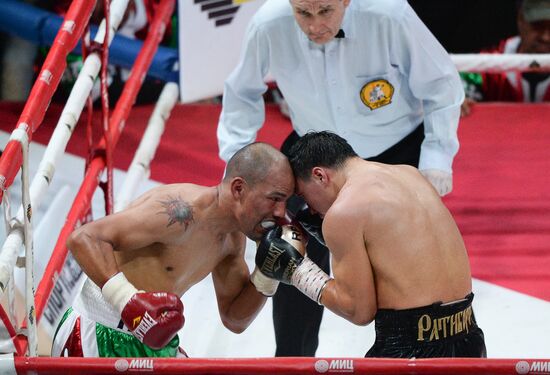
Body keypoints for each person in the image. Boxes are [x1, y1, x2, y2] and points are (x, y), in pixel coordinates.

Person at [217, 0, 464, 356]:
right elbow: (240, 92)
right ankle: (291, 361)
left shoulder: (389, 14)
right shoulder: (268, 23)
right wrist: (236, 168)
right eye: (303, 13)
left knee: (411, 264)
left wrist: (437, 158)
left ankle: (426, 354)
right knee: (287, 249)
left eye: (325, 11)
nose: (315, 25)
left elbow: (442, 84)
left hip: (396, 153)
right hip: (310, 155)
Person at [255, 131, 487, 358]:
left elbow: (358, 311)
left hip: (413, 348)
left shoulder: (345, 211)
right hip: (469, 334)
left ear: (319, 175)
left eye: (304, 196)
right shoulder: (411, 174)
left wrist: (297, 271)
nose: (311, 209)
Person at [51, 142, 294, 357]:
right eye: (274, 198)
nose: (281, 213)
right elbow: (83, 238)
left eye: (285, 202)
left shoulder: (232, 239)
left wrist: (268, 274)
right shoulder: (180, 212)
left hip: (155, 341)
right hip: (100, 332)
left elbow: (234, 318)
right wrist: (127, 301)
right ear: (239, 189)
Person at [461, 0, 550, 116]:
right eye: (538, 26)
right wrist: (459, 97)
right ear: (521, 20)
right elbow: (461, 83)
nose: (546, 37)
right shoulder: (490, 65)